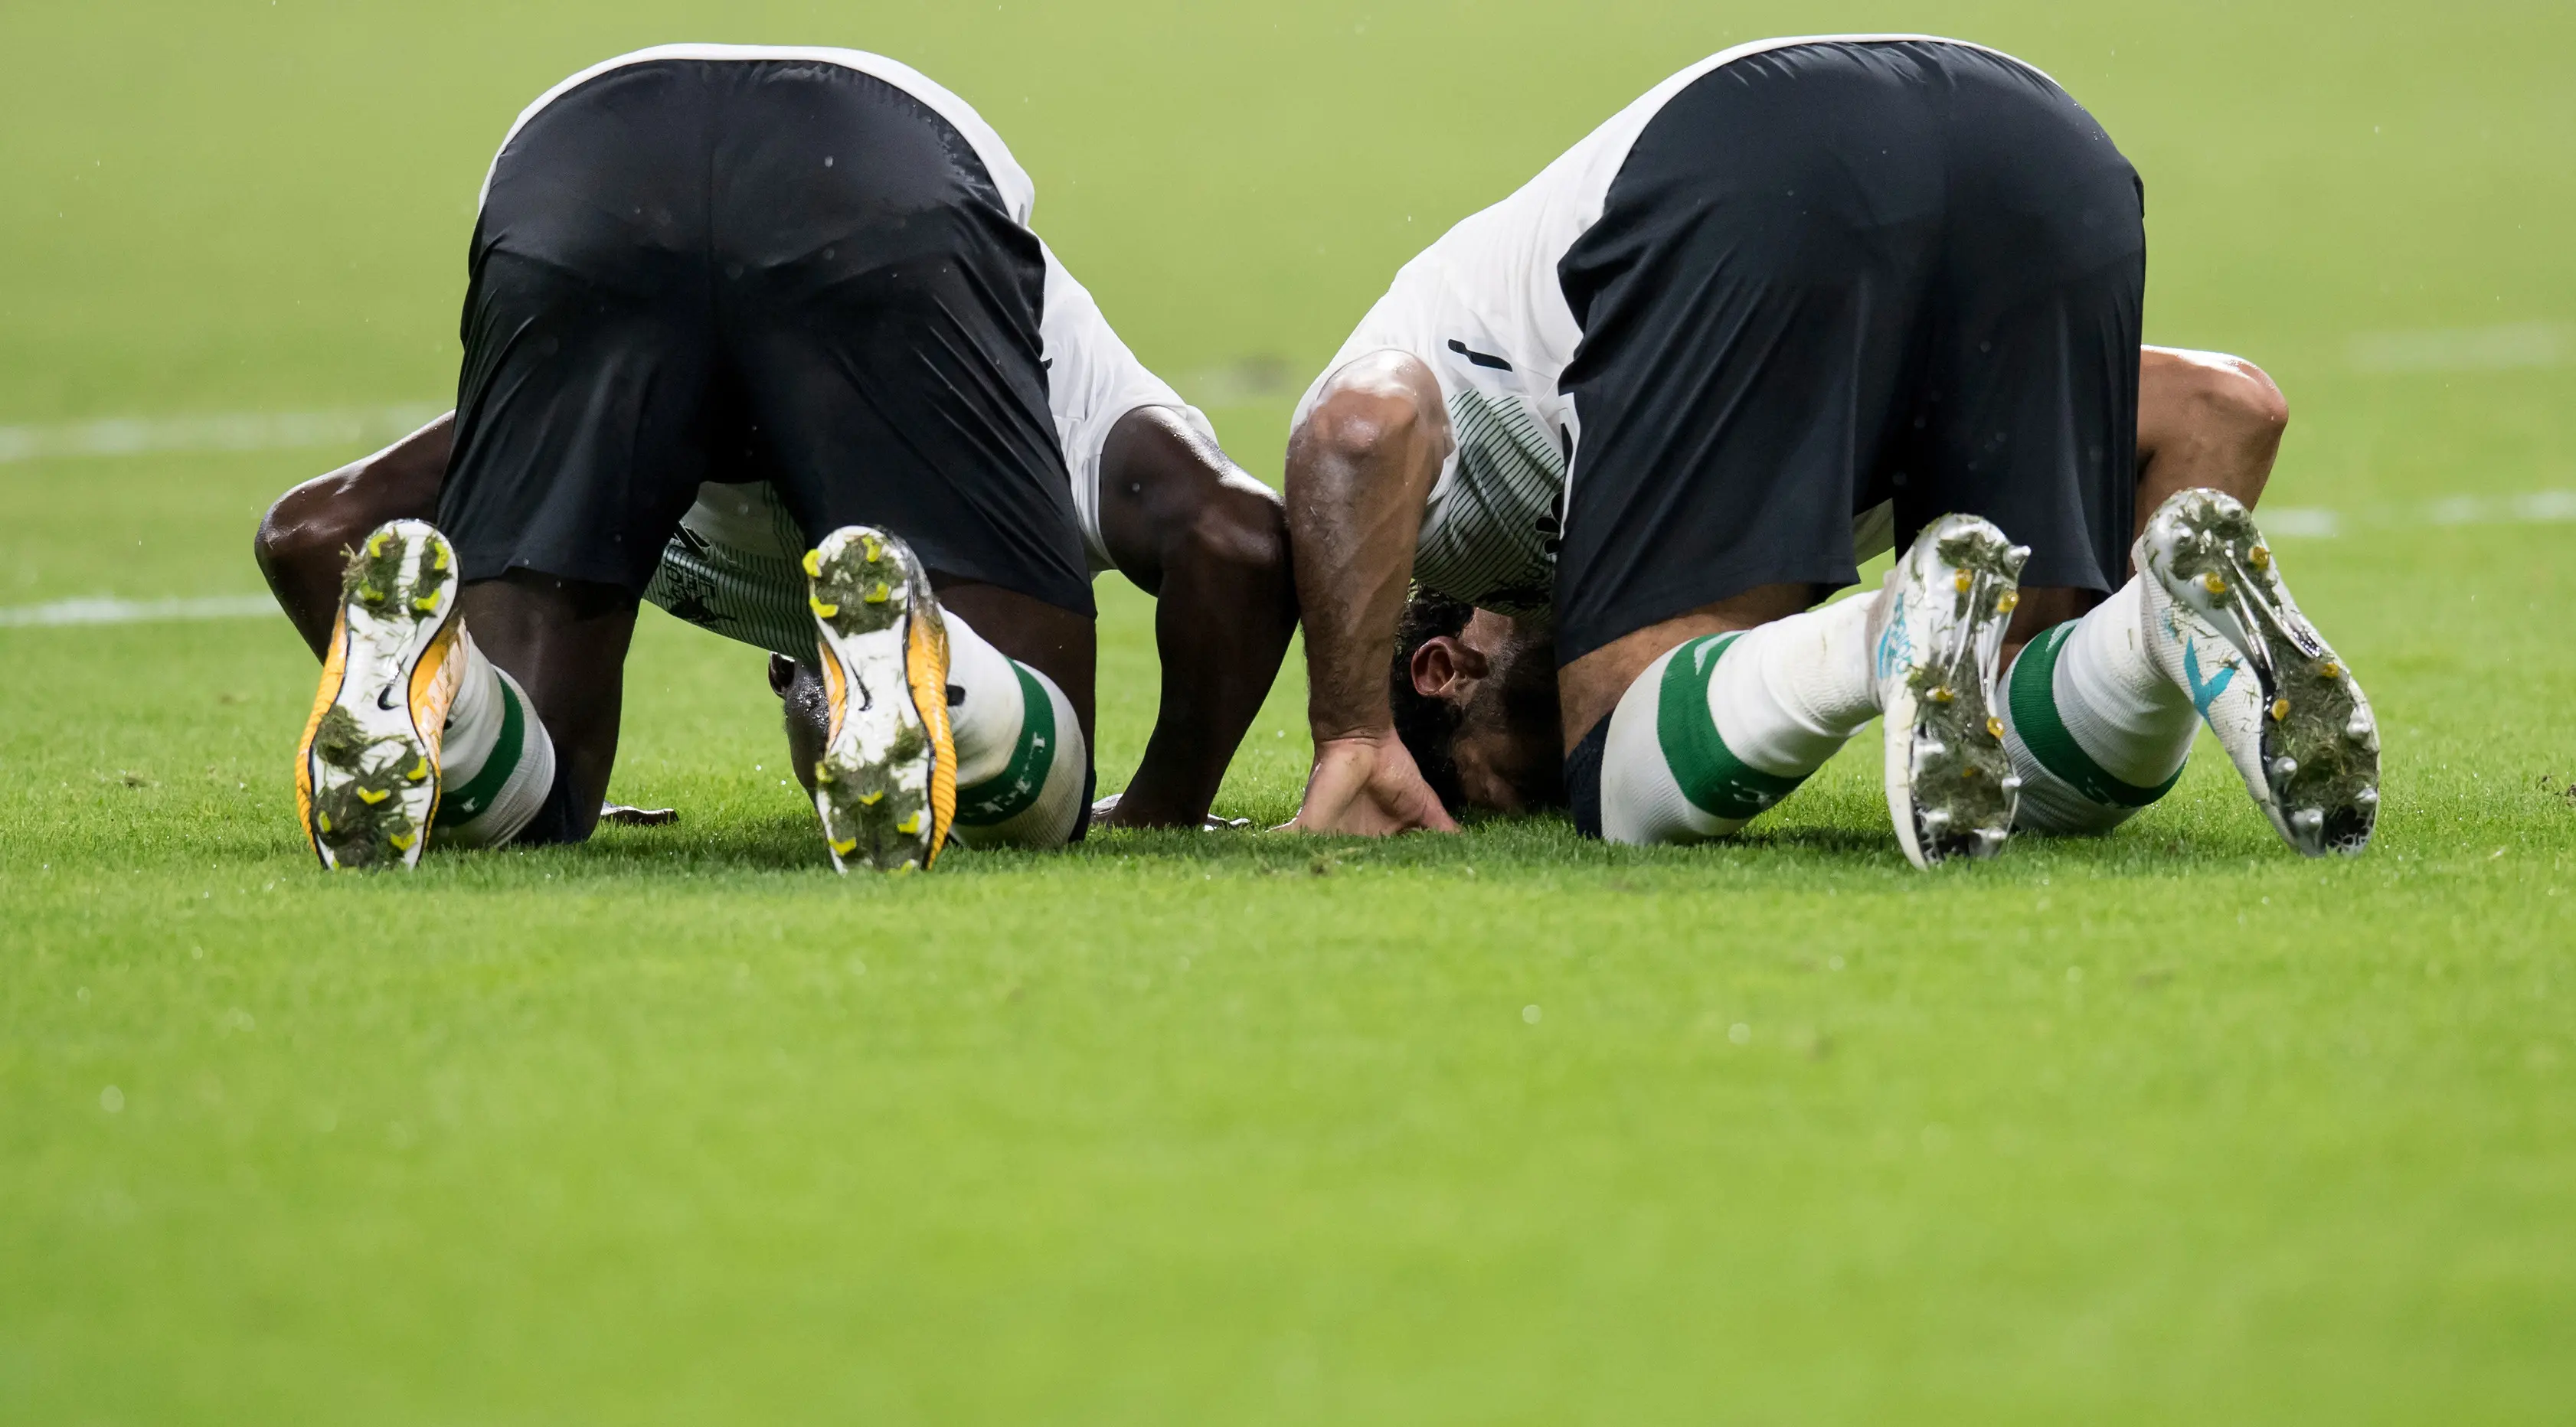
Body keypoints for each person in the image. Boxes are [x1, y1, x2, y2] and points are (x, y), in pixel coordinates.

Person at [1281, 36, 2378, 863]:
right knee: (2009, 742)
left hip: (1751, 161)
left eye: (1489, 783)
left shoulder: (1463, 531)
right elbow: (2226, 412)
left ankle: (1878, 637)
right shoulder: (1745, 454)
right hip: (2043, 141)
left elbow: (1357, 430)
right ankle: (2162, 624)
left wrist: (1353, 733)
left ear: (1444, 668)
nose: (1513, 800)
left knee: (1613, 786)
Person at [260, 44, 1293, 872]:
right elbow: (1238, 539)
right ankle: (951, 671)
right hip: (872, 172)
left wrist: (522, 753)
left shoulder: (638, 467)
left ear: (790, 665)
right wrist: (1161, 810)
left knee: (535, 809)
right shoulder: (1062, 375)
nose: (842, 742)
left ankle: (467, 729)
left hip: (583, 165)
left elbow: (313, 533)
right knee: (1042, 804)